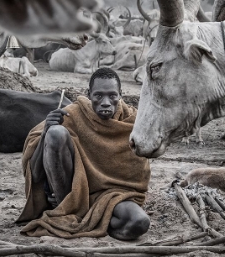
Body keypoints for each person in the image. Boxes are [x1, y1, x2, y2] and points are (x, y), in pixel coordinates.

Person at [17, 68, 151, 240]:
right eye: (98, 96)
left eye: (112, 96)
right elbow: (35, 173)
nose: (105, 102)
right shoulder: (72, 114)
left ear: (120, 95)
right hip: (74, 193)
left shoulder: (133, 122)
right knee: (56, 133)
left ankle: (94, 221)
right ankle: (68, 209)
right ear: (89, 94)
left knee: (140, 223)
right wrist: (46, 132)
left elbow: (139, 175)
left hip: (113, 195)